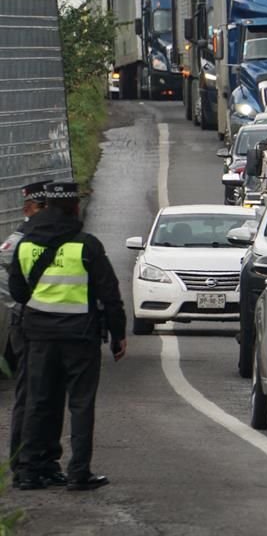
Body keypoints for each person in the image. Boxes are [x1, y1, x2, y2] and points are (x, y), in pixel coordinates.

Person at [7, 181, 127, 491]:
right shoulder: (86, 245)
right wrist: (118, 335)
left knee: (37, 401)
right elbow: (110, 294)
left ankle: (30, 471)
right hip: (80, 337)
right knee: (81, 404)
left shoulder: (26, 244)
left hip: (38, 336)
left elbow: (19, 292)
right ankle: (78, 472)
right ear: (75, 208)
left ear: (45, 206)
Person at [1, 181, 67, 487]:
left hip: (51, 326)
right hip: (28, 326)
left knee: (51, 396)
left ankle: (45, 460)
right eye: (46, 206)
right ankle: (23, 463)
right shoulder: (21, 239)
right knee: (31, 397)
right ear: (33, 208)